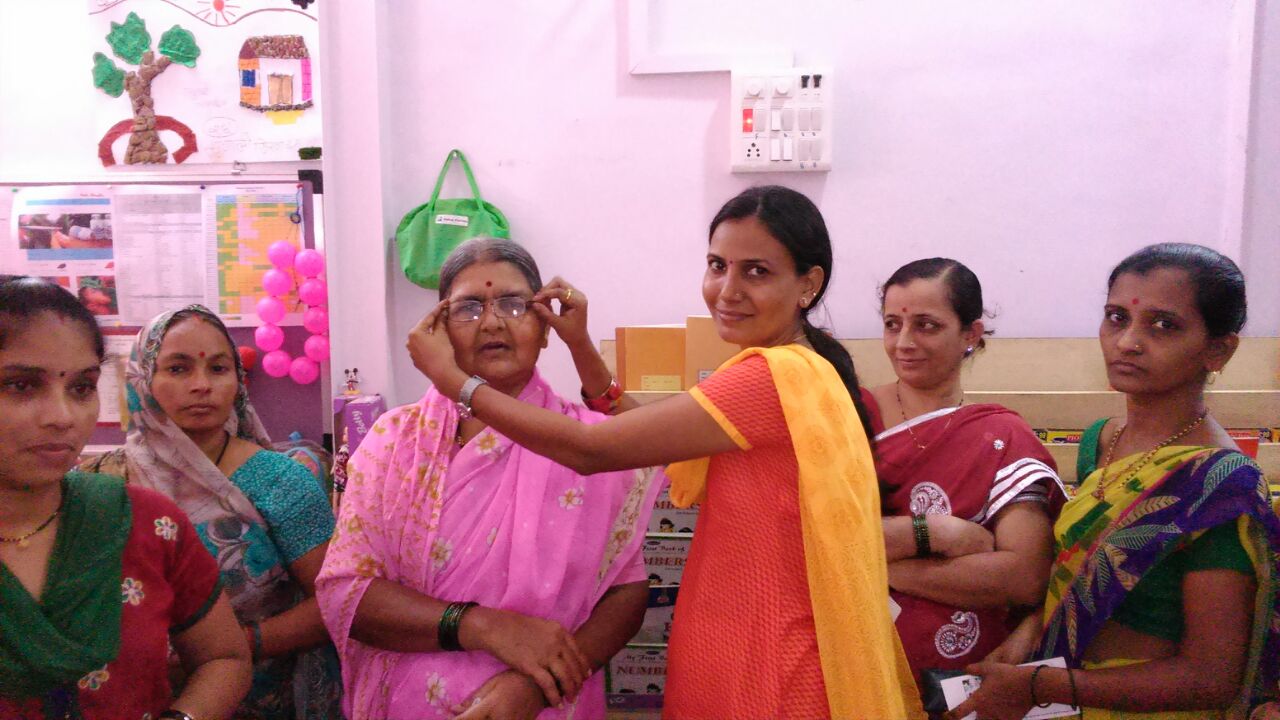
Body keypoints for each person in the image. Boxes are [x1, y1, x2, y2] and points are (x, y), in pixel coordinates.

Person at [406, 186, 925, 719]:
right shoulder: (797, 370)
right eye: (718, 265)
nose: (727, 290)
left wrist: (453, 382)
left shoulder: (773, 377)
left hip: (770, 670)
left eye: (756, 272)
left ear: (807, 284)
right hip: (748, 649)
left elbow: (590, 450)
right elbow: (651, 437)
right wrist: (581, 346)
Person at [315, 238, 663, 720]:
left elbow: (626, 591)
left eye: (514, 304)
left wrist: (537, 688)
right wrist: (481, 626)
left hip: (544, 702)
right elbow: (346, 593)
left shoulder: (588, 444)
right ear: (438, 330)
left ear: (546, 329)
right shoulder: (393, 441)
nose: (493, 322)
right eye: (469, 308)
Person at [950, 243, 1280, 720]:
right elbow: (1079, 579)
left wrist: (1039, 685)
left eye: (1164, 325)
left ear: (1218, 349)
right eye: (1116, 317)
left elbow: (1210, 678)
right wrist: (1031, 632)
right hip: (1061, 699)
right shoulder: (1100, 442)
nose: (1127, 341)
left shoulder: (1219, 487)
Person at [0, 276, 251, 719]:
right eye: (21, 386)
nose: (62, 417)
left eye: (82, 388)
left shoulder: (147, 522)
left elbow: (223, 658)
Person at [79, 305, 341, 720]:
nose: (202, 385)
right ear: (142, 380)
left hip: (261, 695)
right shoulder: (101, 481)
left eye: (218, 369)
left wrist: (229, 648)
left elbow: (335, 602)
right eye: (178, 369)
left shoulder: (280, 480)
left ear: (237, 381)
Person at [866, 259, 1065, 690]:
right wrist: (935, 533)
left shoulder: (1001, 437)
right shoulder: (847, 416)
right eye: (892, 324)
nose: (904, 342)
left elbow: (1025, 576)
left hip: (960, 681)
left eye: (926, 325)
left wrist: (876, 565)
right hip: (851, 663)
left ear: (970, 334)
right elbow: (807, 537)